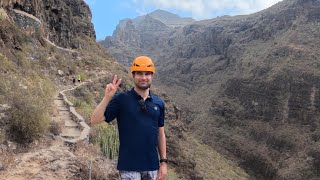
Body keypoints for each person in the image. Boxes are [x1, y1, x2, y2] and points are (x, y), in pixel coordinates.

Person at [90, 56, 167, 180]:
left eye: (147, 74)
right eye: (139, 74)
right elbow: (94, 119)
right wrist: (107, 97)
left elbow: (161, 134)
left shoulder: (159, 103)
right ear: (133, 75)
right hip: (128, 167)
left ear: (152, 76)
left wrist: (163, 162)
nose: (143, 77)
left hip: (152, 167)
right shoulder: (122, 99)